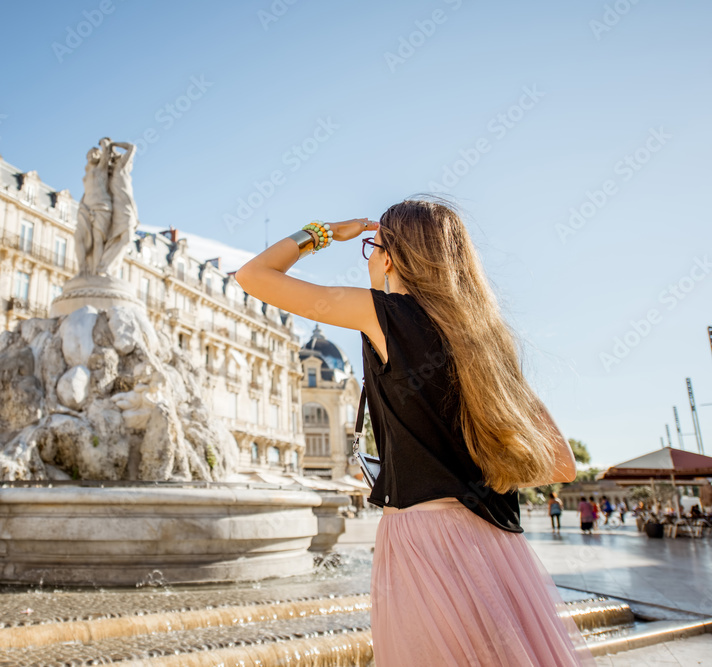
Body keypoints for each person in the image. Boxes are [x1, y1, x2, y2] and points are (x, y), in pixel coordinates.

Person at [235, 198, 594, 666]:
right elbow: (561, 463)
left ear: (390, 257)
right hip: (495, 544)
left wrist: (321, 232)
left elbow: (253, 277)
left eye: (372, 246)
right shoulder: (488, 340)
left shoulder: (384, 313)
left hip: (422, 538)